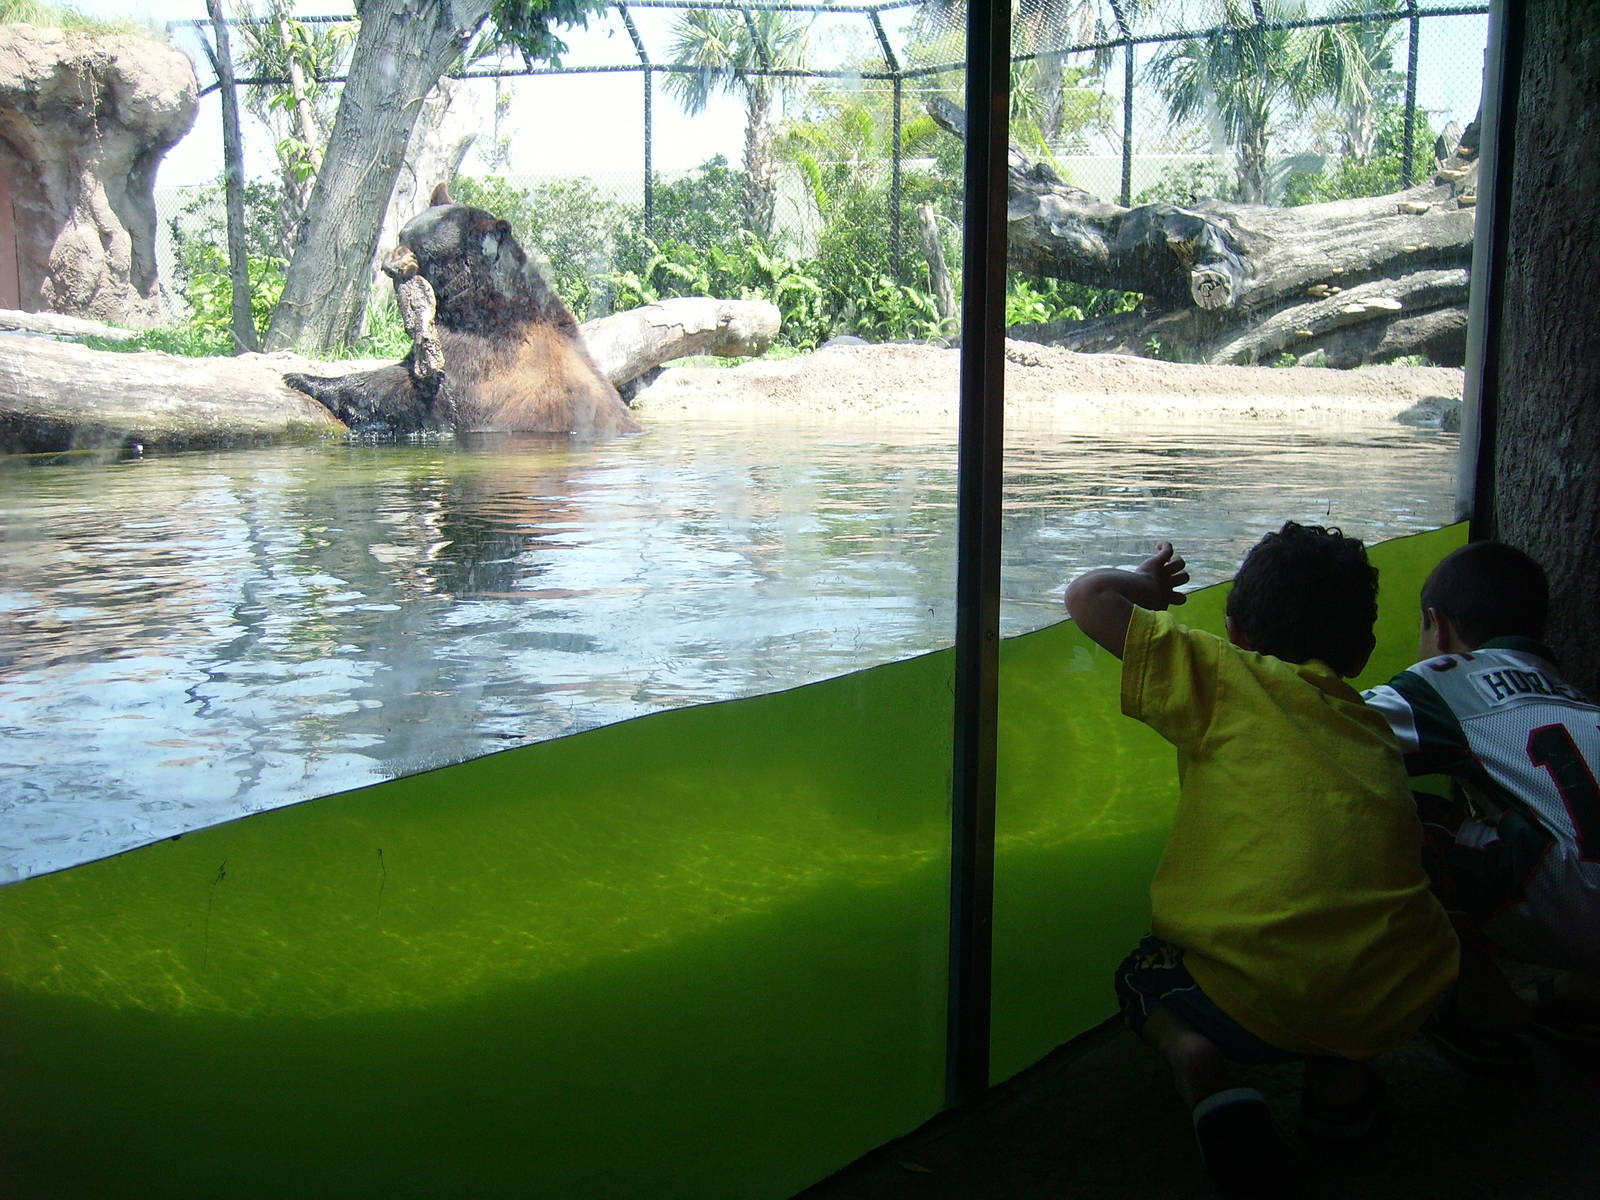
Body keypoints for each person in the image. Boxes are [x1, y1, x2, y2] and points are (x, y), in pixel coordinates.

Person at [1064, 522, 1458, 1189]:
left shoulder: (1222, 678)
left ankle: (1196, 1065)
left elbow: (1087, 595)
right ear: (1360, 654)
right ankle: (1339, 1091)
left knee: (1139, 975)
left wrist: (1151, 587)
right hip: (1395, 994)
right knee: (1345, 955)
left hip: (1244, 1006)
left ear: (1235, 632)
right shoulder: (1371, 724)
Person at [1361, 540, 1600, 1061]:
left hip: (1571, 907)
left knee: (1391, 816)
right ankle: (1572, 993)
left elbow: (1326, 729)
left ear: (1436, 626)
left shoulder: (1443, 681)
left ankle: (1482, 1004)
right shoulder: (1577, 699)